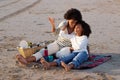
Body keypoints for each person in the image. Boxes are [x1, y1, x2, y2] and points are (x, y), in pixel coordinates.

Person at [16, 8, 83, 65]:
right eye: (72, 22)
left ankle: (52, 57)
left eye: (75, 22)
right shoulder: (63, 24)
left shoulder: (78, 28)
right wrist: (53, 25)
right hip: (58, 44)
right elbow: (55, 33)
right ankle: (26, 60)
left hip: (67, 48)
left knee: (64, 55)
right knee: (43, 51)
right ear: (68, 19)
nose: (74, 24)